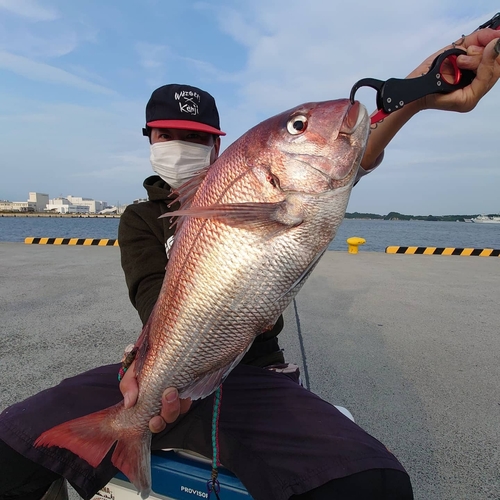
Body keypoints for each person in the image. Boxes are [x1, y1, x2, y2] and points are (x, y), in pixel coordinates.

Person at [0, 29, 499, 500]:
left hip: (252, 372)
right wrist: (144, 370)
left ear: (219, 145)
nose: (180, 144)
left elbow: (353, 147)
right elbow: (153, 296)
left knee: (377, 483)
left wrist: (419, 88)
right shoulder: (140, 219)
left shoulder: (286, 189)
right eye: (167, 133)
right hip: (165, 364)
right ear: (150, 139)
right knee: (10, 445)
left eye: (195, 136)